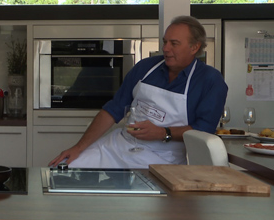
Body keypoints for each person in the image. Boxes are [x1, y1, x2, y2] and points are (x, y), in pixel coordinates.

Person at [49, 16, 228, 169]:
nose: (166, 48)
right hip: (118, 147)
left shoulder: (211, 81)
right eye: (165, 42)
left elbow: (204, 130)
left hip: (162, 159)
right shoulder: (146, 67)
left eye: (174, 44)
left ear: (194, 47)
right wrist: (78, 148)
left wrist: (163, 133)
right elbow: (113, 110)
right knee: (62, 171)